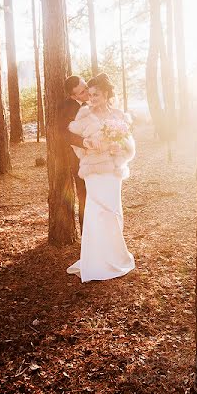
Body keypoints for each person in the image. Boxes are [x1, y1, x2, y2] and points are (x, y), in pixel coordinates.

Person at [66, 73, 136, 282]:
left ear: (106, 95)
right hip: (94, 172)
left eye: (96, 94)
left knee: (114, 212)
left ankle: (114, 256)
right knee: (97, 212)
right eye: (90, 94)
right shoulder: (83, 116)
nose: (92, 98)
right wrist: (89, 146)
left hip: (113, 172)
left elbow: (129, 146)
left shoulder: (119, 116)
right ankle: (95, 261)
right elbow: (75, 144)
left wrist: (119, 149)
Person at [61, 75, 90, 229]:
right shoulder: (66, 108)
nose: (87, 92)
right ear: (73, 96)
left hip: (100, 157)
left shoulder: (95, 95)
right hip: (78, 160)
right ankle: (87, 236)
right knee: (84, 196)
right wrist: (84, 143)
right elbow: (65, 134)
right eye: (82, 92)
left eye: (86, 87)